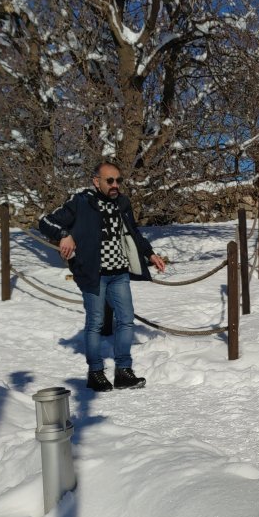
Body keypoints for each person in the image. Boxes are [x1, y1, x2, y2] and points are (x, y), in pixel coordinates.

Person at [38, 161, 167, 392]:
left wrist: (150, 253)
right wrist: (64, 235)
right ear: (96, 181)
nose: (115, 185)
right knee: (95, 323)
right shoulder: (80, 202)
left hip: (119, 273)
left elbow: (133, 232)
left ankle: (123, 371)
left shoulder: (123, 203)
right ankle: (95, 372)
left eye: (118, 180)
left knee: (126, 320)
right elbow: (45, 222)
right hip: (93, 274)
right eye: (110, 180)